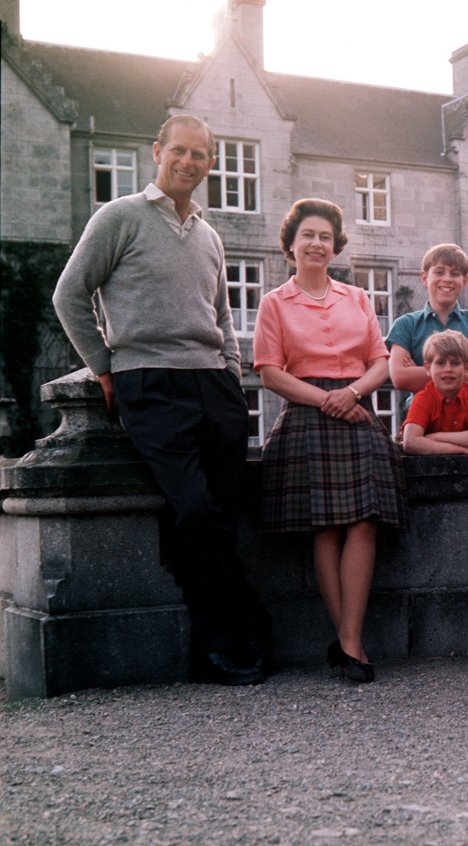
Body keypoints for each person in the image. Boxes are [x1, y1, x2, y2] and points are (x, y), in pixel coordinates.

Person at [53, 114, 269, 687]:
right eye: (180, 151)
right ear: (157, 152)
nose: (189, 162)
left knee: (220, 513)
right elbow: (69, 295)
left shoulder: (209, 233)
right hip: (147, 380)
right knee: (194, 509)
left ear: (210, 163)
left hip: (213, 385)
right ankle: (240, 628)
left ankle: (210, 649)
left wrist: (229, 369)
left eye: (200, 155)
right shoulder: (119, 217)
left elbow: (222, 315)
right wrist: (104, 367)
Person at [253, 198, 406, 685]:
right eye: (308, 236)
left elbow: (380, 360)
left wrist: (353, 392)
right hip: (306, 414)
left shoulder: (357, 298)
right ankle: (350, 644)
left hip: (356, 409)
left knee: (363, 523)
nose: (317, 244)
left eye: (325, 237)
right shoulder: (275, 302)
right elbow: (270, 373)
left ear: (335, 246)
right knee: (326, 528)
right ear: (291, 246)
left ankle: (348, 640)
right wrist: (325, 401)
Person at [386, 244, 468, 409]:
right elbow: (399, 377)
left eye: (455, 274)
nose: (447, 279)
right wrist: (464, 372)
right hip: (422, 419)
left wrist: (422, 372)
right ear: (424, 278)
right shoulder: (406, 325)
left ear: (465, 280)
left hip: (467, 419)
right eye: (439, 272)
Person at [401, 330, 468, 456]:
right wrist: (464, 451)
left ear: (467, 368)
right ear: (428, 368)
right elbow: (410, 442)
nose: (448, 369)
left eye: (455, 363)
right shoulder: (422, 398)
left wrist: (433, 437)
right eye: (440, 363)